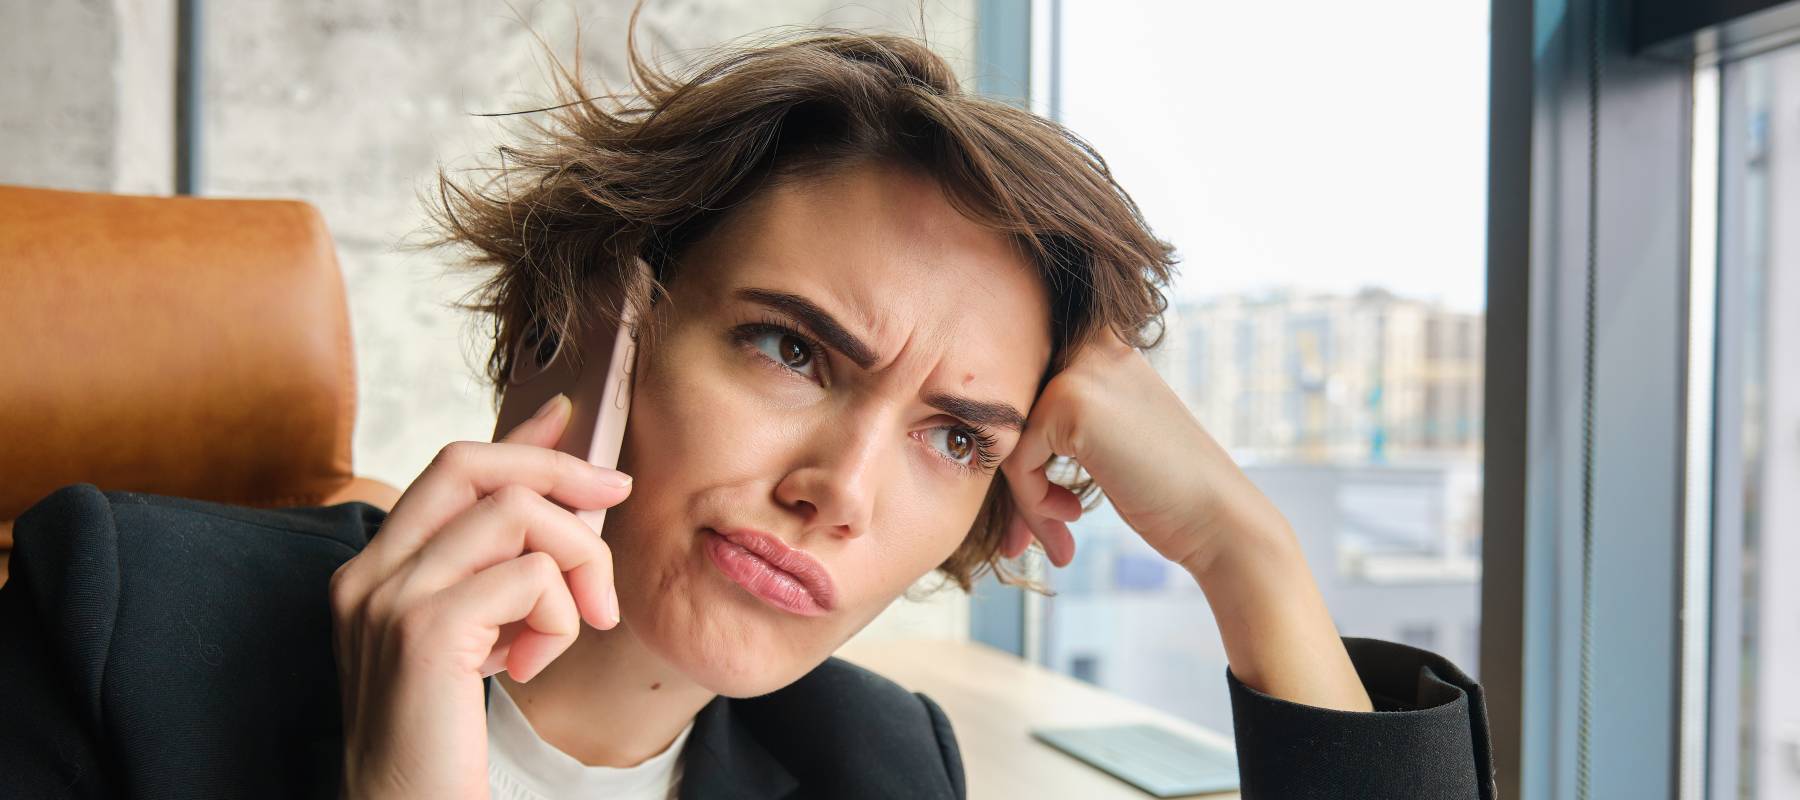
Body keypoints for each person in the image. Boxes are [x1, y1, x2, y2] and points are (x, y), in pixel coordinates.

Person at [0, 23, 1494, 800]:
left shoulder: (877, 765)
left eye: (955, 434)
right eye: (794, 350)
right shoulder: (121, 621)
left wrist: (1249, 555)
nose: (842, 487)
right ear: (607, 317)